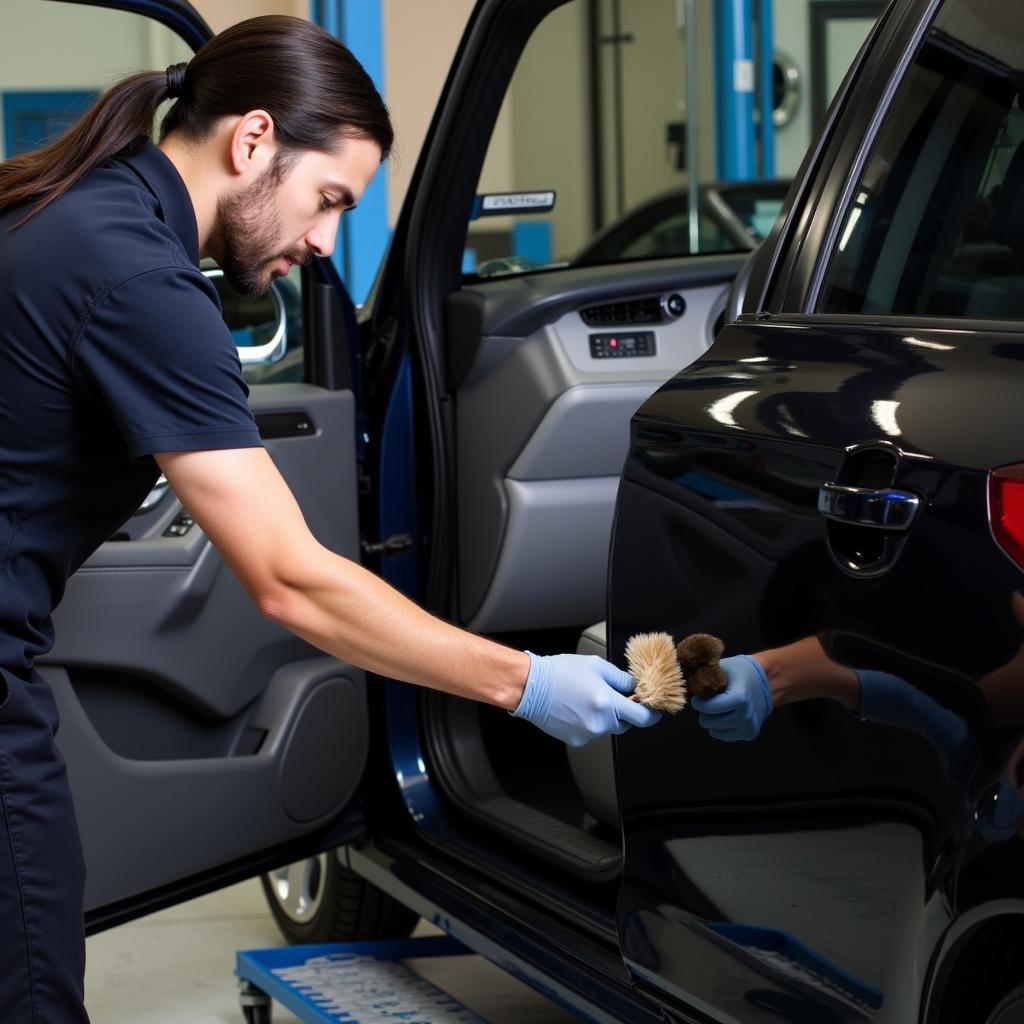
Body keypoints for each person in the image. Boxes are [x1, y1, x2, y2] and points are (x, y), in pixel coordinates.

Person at [0, 16, 659, 1022]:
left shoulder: (81, 210)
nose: (322, 241)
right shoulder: (138, 277)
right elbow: (289, 578)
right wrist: (523, 681)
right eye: (330, 200)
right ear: (253, 139)